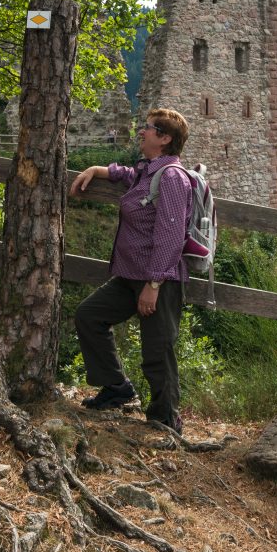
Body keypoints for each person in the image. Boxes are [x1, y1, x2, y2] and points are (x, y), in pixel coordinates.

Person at [69, 108, 193, 434]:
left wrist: (154, 284)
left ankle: (166, 421)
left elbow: (170, 237)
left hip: (157, 281)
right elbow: (128, 174)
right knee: (89, 315)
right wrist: (99, 169)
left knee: (157, 352)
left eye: (148, 129)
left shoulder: (172, 178)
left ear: (165, 139)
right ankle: (117, 388)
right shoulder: (148, 170)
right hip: (130, 277)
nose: (141, 132)